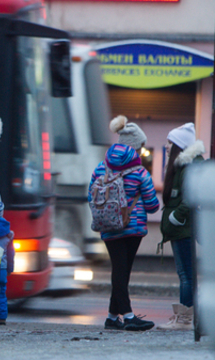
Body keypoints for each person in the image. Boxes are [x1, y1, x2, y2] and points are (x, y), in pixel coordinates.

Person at [89, 115, 159, 332]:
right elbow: (153, 205)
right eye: (140, 147)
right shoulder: (140, 172)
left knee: (120, 270)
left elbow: (91, 197)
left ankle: (112, 317)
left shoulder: (101, 168)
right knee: (122, 271)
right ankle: (128, 316)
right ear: (134, 147)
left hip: (109, 227)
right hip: (133, 227)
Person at [157, 123, 204, 330]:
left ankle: (185, 318)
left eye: (170, 143)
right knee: (184, 274)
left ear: (179, 146)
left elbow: (191, 197)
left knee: (186, 275)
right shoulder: (182, 166)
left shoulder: (187, 167)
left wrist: (177, 216)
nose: (166, 146)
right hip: (179, 228)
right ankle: (184, 316)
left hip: (183, 227)